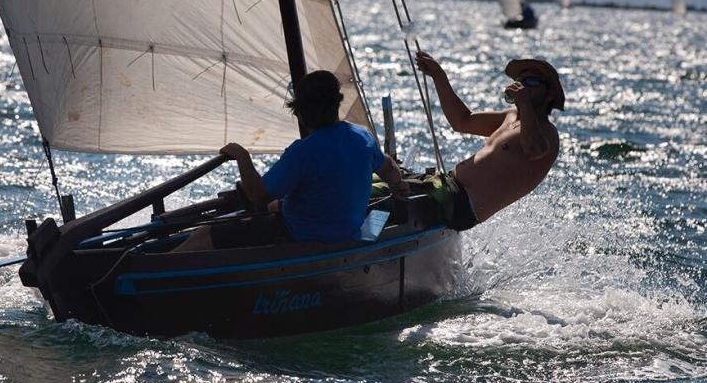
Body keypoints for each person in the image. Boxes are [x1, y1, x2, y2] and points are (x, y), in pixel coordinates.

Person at [173, 70, 409, 252]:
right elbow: (388, 168)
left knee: (204, 236)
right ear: (337, 104)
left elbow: (258, 196)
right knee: (277, 206)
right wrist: (399, 187)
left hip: (302, 235)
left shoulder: (302, 152)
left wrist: (242, 157)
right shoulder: (363, 138)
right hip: (347, 232)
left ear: (301, 112)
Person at [412, 51, 563, 230]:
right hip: (446, 186)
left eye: (531, 81)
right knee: (382, 179)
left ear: (550, 94)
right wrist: (438, 75)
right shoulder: (510, 117)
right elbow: (462, 121)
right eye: (520, 81)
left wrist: (524, 104)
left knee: (388, 194)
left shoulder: (548, 133)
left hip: (460, 206)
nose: (522, 86)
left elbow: (533, 149)